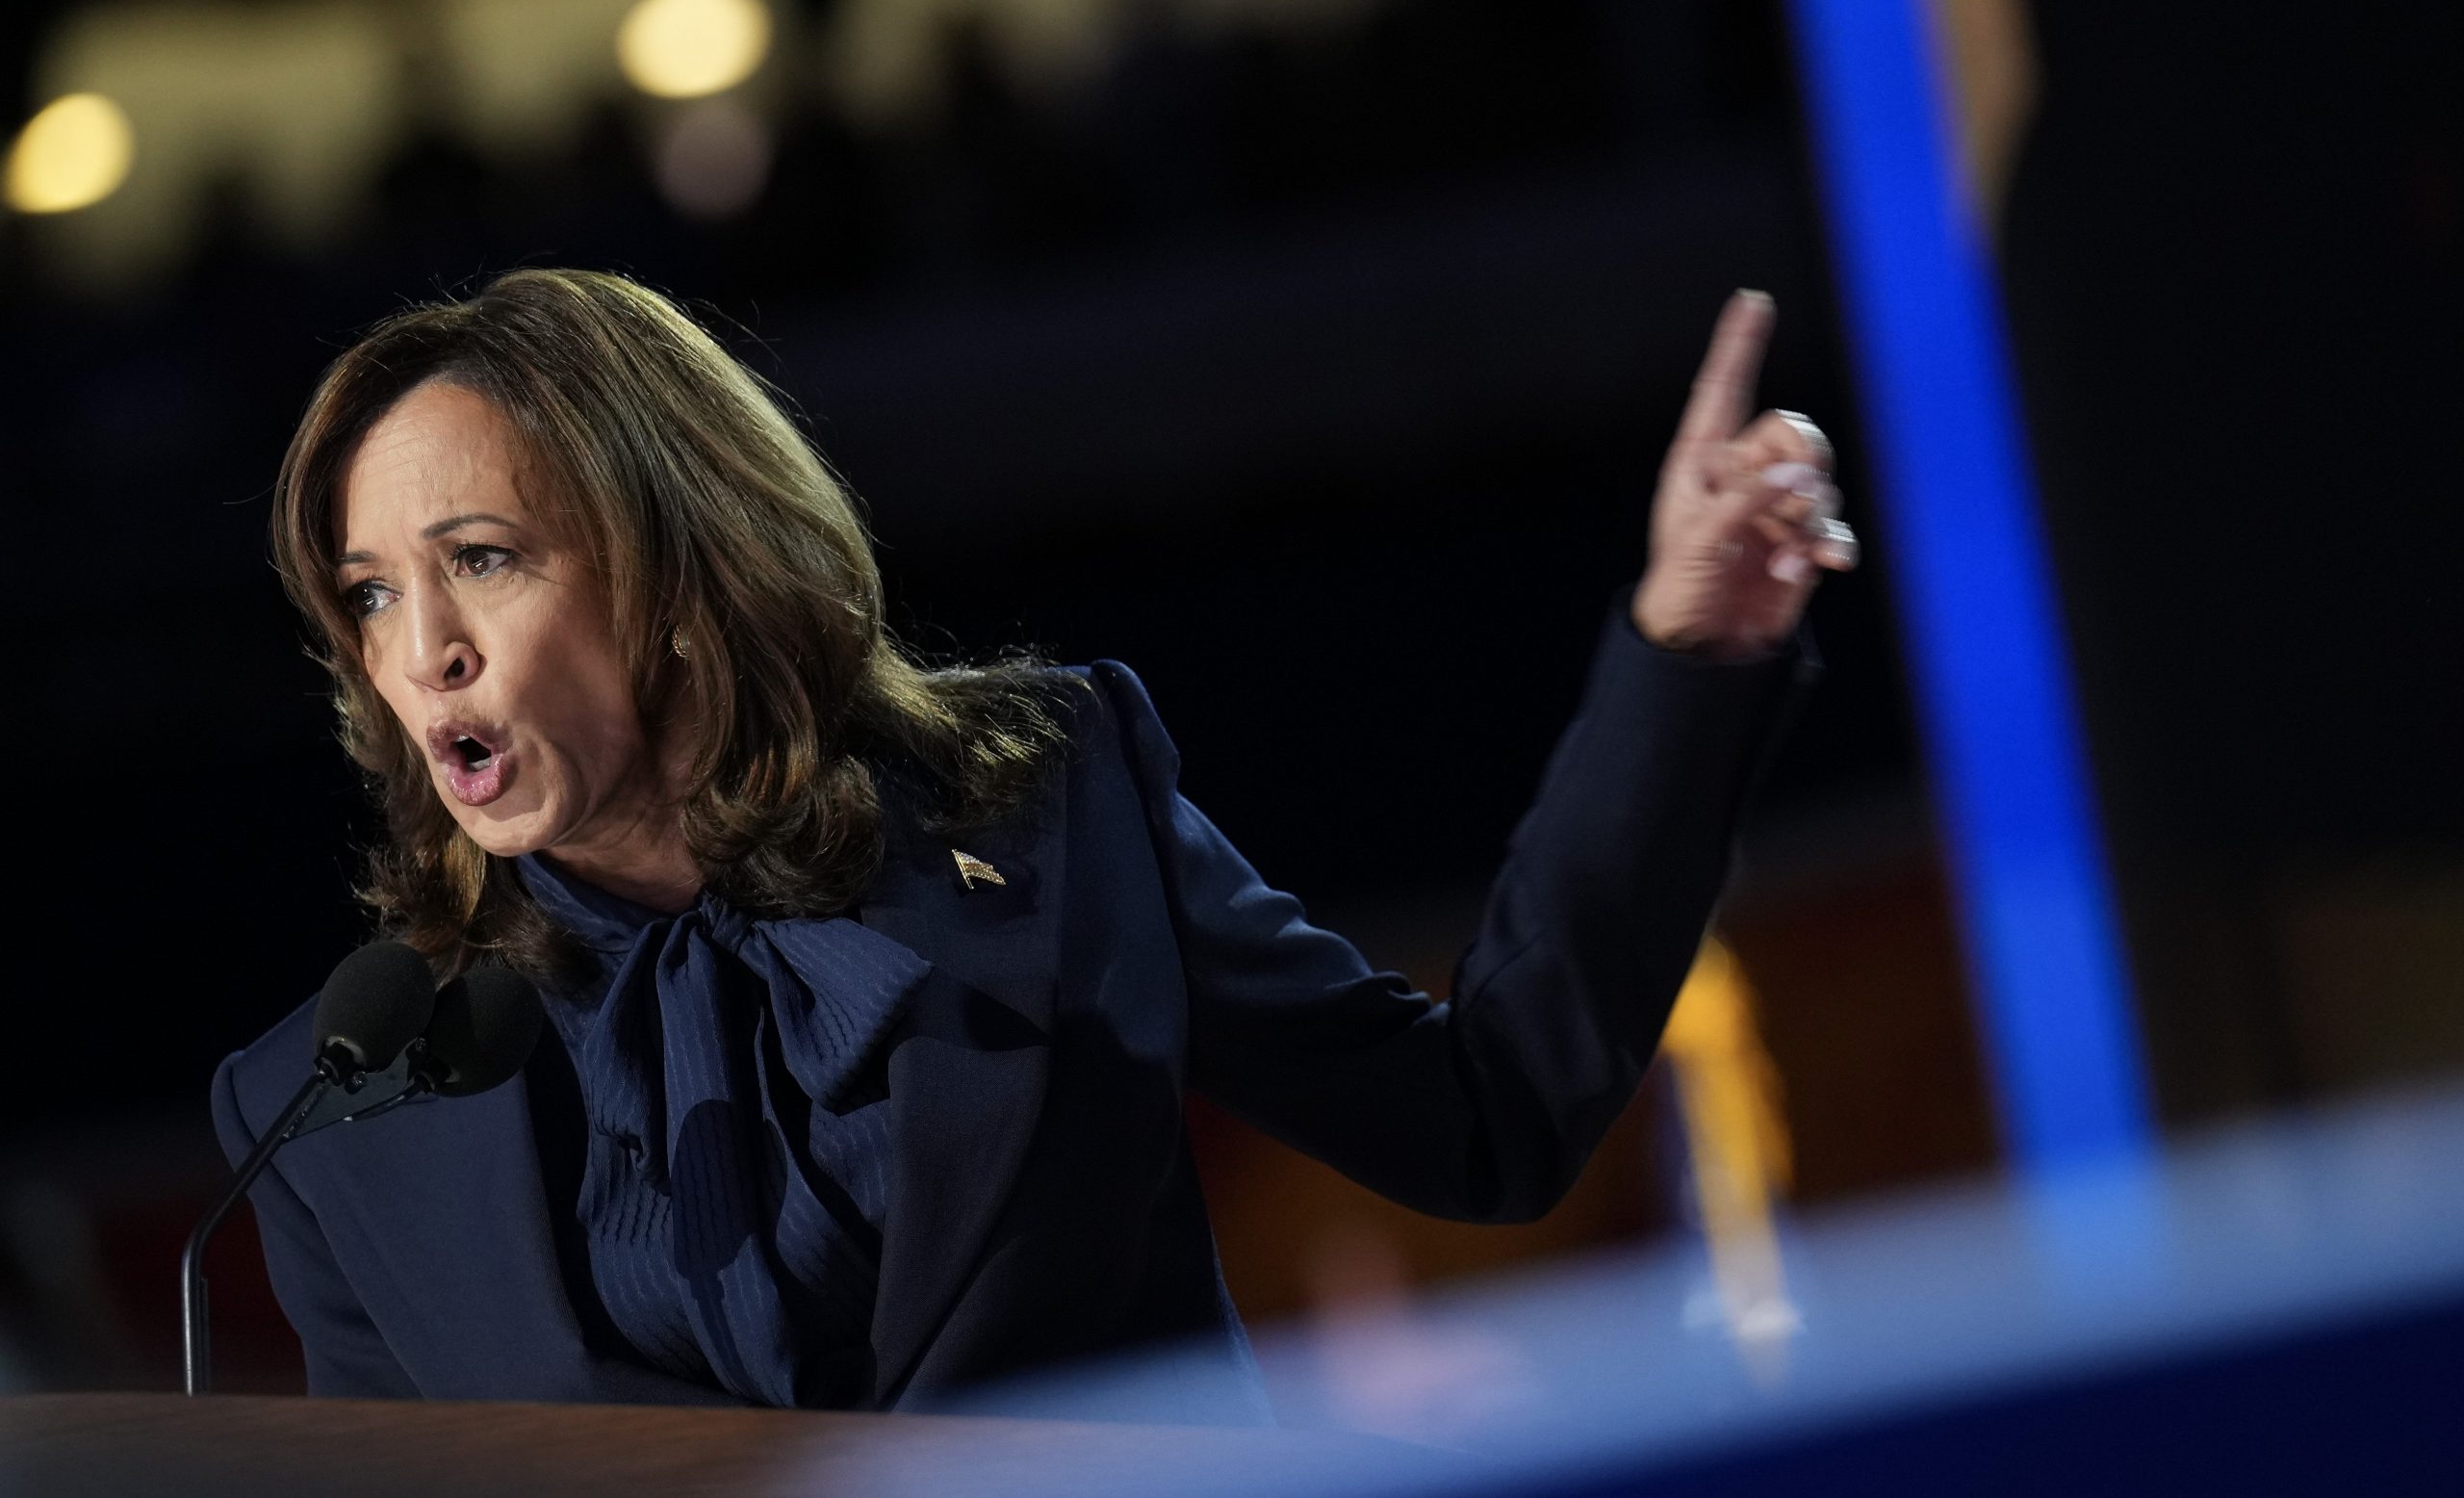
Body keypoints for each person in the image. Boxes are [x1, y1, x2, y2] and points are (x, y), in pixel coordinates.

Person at [210, 269, 1854, 1418]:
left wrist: (1685, 658)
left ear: (675, 567)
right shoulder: (329, 1119)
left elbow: (1487, 1118)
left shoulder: (1051, 817)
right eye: (367, 595)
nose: (421, 649)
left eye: (482, 559)